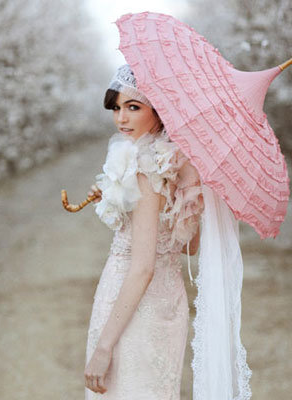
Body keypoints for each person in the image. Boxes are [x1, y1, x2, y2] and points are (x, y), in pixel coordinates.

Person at [83, 65, 204, 399]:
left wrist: (105, 346)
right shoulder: (175, 165)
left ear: (159, 111)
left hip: (129, 303)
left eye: (133, 107)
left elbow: (143, 268)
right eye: (117, 108)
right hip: (169, 303)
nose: (122, 118)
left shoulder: (144, 168)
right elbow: (189, 247)